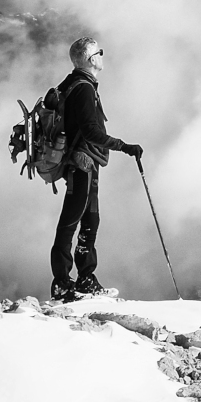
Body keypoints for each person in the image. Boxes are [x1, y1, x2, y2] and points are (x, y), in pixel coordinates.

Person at [49, 36, 141, 302]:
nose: (103, 55)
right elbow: (90, 131)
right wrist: (124, 146)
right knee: (72, 220)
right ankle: (63, 283)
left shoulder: (72, 84)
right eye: (99, 52)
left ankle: (84, 278)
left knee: (89, 219)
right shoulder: (84, 89)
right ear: (91, 60)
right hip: (83, 164)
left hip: (82, 163)